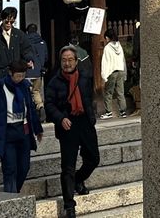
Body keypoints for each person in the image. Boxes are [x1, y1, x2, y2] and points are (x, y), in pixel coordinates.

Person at [47, 45, 100, 218]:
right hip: (67, 124)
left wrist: (92, 117)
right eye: (64, 60)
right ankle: (69, 205)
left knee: (93, 158)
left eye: (70, 60)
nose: (67, 63)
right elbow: (49, 105)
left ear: (76, 61)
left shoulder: (84, 78)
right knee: (68, 167)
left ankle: (78, 180)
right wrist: (61, 118)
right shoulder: (54, 82)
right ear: (60, 62)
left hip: (84, 122)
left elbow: (89, 98)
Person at [0, 59, 44, 194]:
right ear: (10, 73)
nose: (20, 78)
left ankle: (14, 193)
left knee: (24, 166)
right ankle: (10, 196)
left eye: (22, 76)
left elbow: (30, 110)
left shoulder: (24, 86)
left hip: (23, 130)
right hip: (7, 131)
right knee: (10, 167)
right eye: (17, 76)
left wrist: (38, 129)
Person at [0, 6, 34, 82]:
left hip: (16, 76)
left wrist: (29, 59)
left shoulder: (19, 34)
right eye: (6, 21)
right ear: (2, 20)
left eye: (12, 22)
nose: (9, 24)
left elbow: (27, 50)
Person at [99, 28, 127, 119]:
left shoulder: (107, 48)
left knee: (108, 93)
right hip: (120, 70)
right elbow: (123, 60)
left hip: (112, 72)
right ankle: (123, 111)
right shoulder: (119, 46)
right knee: (120, 92)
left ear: (107, 37)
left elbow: (105, 62)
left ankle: (108, 112)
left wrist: (104, 75)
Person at [24, 23, 48, 114]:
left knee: (26, 92)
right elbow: (46, 57)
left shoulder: (24, 41)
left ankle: (28, 111)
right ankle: (40, 106)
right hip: (38, 72)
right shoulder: (42, 42)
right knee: (36, 91)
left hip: (27, 72)